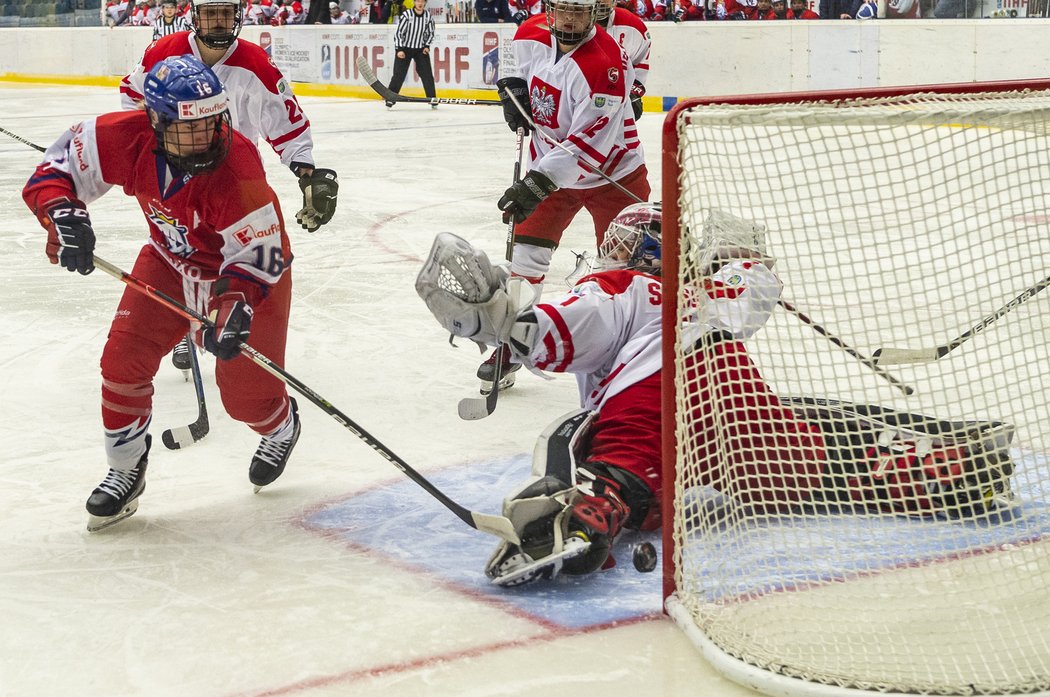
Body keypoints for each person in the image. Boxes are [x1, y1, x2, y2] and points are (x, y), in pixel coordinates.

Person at [415, 204, 1016, 586]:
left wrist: (500, 319)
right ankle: (948, 464)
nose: (611, 255)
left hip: (661, 393)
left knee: (621, 453)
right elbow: (757, 285)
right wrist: (740, 251)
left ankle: (593, 511)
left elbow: (565, 329)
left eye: (625, 246)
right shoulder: (710, 289)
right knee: (819, 452)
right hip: (741, 401)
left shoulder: (624, 285)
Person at [22, 56, 303, 533]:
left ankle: (280, 424)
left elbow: (262, 252)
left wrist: (234, 306)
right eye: (189, 129)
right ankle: (126, 466)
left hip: (242, 277)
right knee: (122, 360)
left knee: (245, 400)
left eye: (213, 123)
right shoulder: (122, 134)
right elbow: (56, 170)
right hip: (168, 263)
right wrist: (63, 213)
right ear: (156, 121)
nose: (205, 139)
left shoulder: (238, 168)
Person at [120, 0, 339, 372]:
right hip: (176, 177)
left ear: (237, 15)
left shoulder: (255, 63)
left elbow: (285, 121)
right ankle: (189, 327)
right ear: (196, 16)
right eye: (210, 13)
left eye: (226, 12)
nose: (219, 21)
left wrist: (308, 173)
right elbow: (132, 97)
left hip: (235, 182)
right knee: (183, 256)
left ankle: (229, 322)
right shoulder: (163, 52)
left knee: (240, 258)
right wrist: (141, 143)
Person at [486, 0, 650, 395]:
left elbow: (589, 146)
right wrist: (512, 88)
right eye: (564, 10)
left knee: (628, 273)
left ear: (595, 14)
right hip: (550, 165)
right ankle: (513, 341)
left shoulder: (606, 64)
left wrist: (537, 183)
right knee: (523, 259)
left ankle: (633, 356)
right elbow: (511, 59)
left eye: (581, 11)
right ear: (549, 11)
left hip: (612, 173)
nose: (571, 20)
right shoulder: (530, 33)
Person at [594, 0, 651, 120]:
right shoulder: (568, 23)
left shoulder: (633, 26)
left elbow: (640, 63)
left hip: (616, 98)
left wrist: (633, 92)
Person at [385, 0, 437, 108]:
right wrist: (399, 49)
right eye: (418, 0)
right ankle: (390, 98)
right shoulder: (407, 15)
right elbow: (399, 33)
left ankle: (432, 98)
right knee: (399, 74)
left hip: (420, 49)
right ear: (414, 2)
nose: (420, 3)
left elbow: (431, 32)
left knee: (427, 75)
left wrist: (427, 46)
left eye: (422, 1)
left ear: (425, 3)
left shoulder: (428, 17)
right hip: (405, 49)